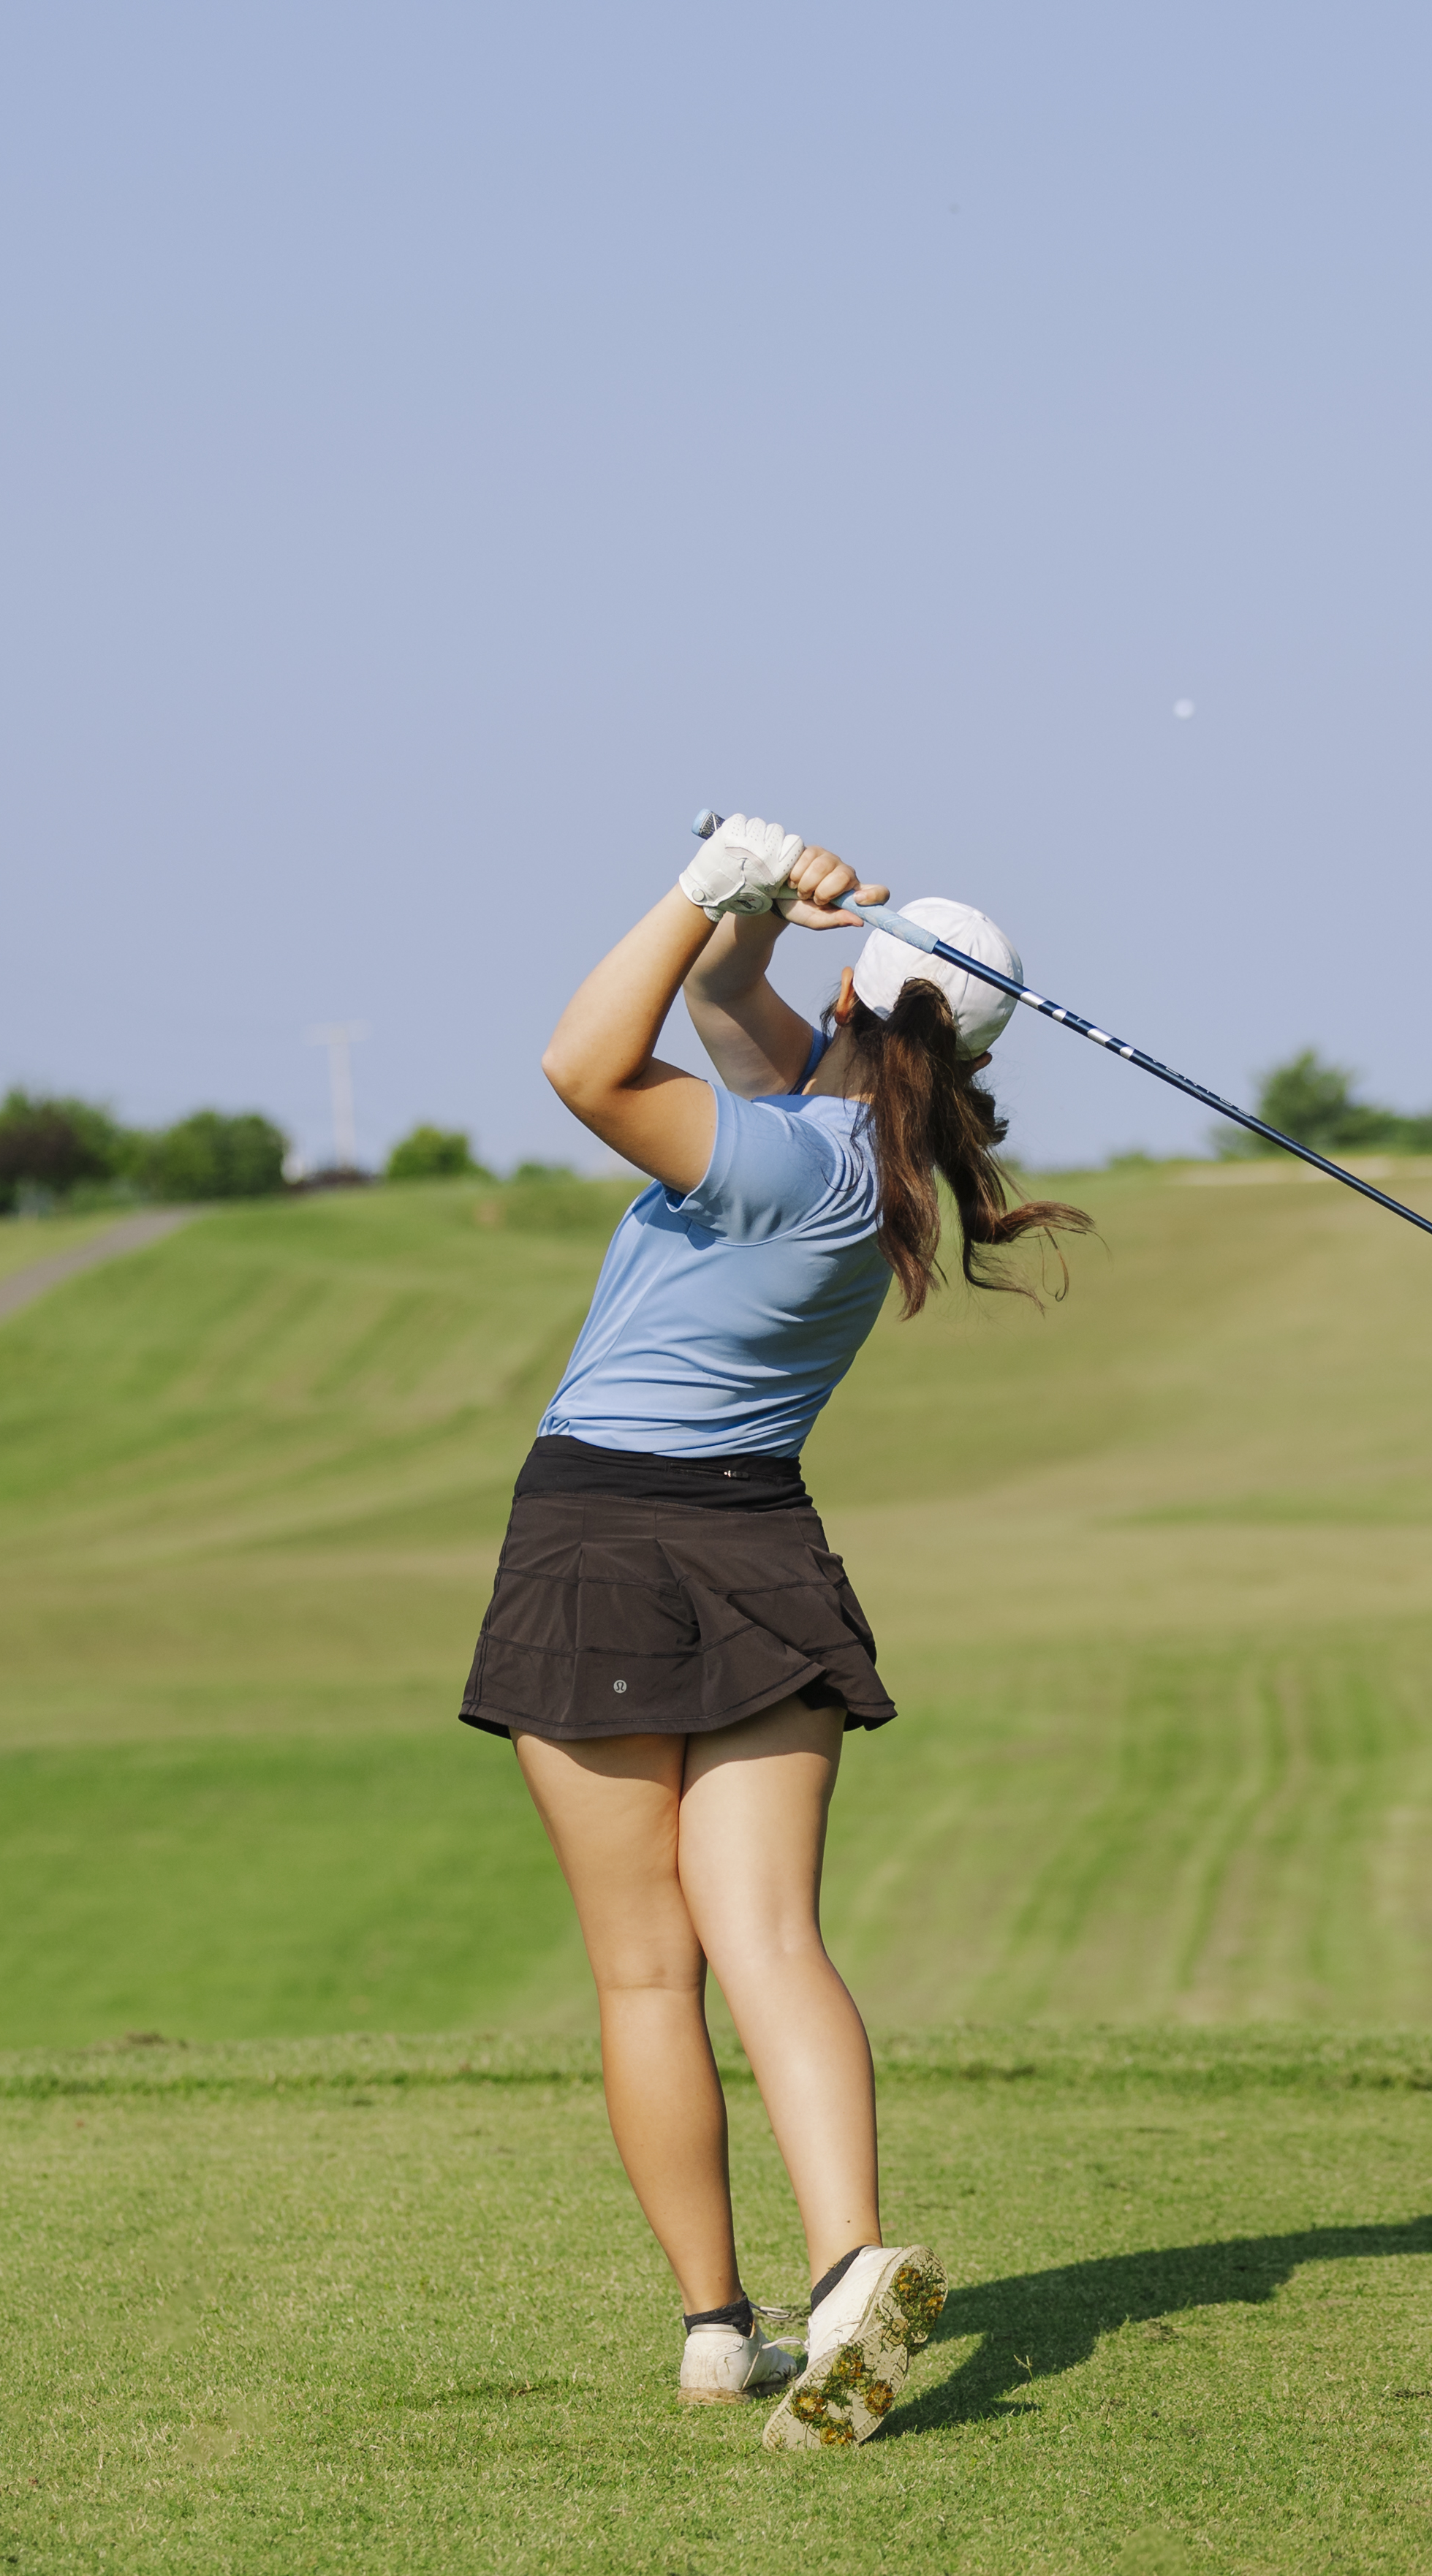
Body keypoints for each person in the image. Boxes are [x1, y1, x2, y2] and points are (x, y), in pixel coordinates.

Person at [460, 814, 1086, 2449]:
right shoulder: (871, 1147)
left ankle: (714, 2326)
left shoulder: (786, 1153)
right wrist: (754, 914)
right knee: (773, 1940)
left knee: (647, 1967)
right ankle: (850, 2264)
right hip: (764, 1543)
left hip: (603, 1534)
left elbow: (585, 1065)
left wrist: (691, 888)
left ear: (865, 1002)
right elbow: (740, 1011)